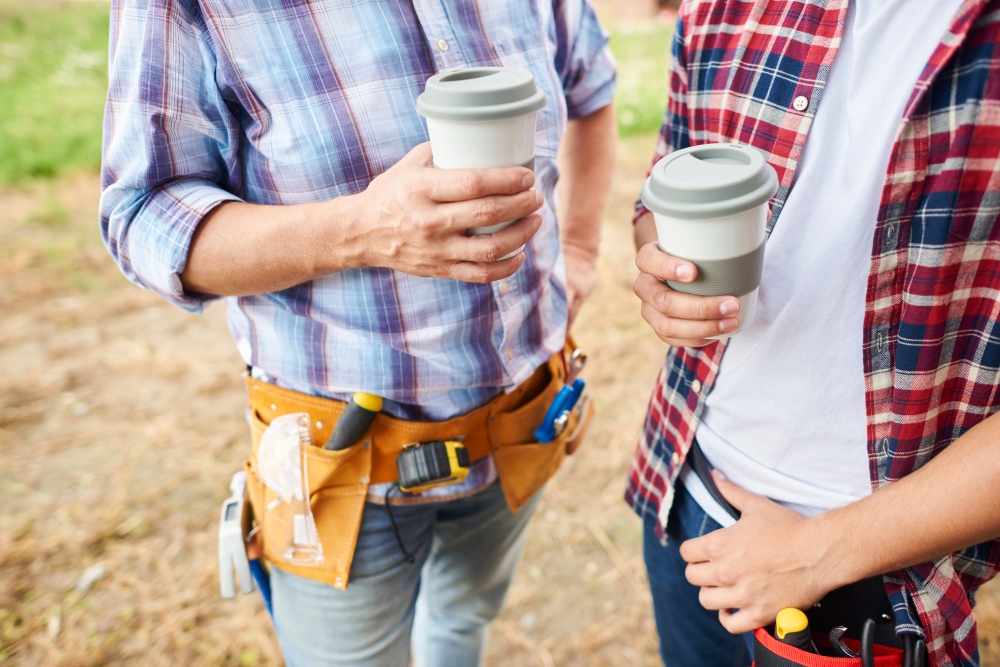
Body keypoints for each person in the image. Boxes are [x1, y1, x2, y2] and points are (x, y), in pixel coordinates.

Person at [99, 1, 616, 665]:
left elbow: (590, 88)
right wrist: (362, 230)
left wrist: (579, 248)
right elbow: (141, 214)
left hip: (521, 425)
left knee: (461, 624)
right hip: (339, 466)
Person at [628, 1, 1000, 666]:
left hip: (877, 579)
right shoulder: (719, 8)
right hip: (689, 495)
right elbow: (664, 185)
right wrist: (660, 262)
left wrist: (817, 551)